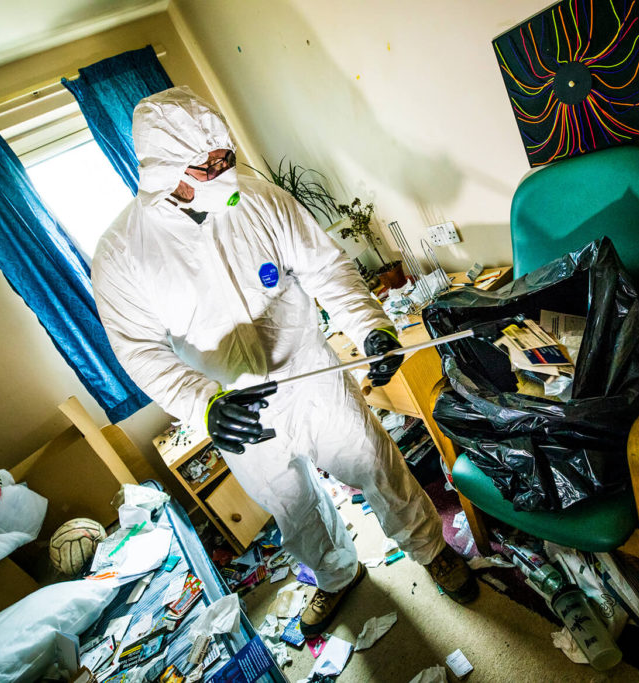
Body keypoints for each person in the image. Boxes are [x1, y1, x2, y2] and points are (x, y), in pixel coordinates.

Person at [93, 86, 475, 636]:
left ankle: (428, 547)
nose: (226, 170)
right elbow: (139, 350)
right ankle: (335, 575)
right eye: (209, 165)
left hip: (310, 373)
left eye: (227, 156)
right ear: (163, 169)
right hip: (238, 410)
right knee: (290, 506)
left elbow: (326, 268)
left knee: (375, 463)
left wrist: (370, 329)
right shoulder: (123, 253)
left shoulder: (258, 196)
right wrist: (205, 406)